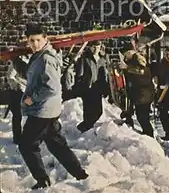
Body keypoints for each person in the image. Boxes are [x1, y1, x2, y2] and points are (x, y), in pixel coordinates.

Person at [11, 23, 88, 189]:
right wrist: (15, 60)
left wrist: (30, 100)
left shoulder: (46, 58)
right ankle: (80, 174)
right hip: (48, 111)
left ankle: (42, 180)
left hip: (42, 111)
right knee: (57, 145)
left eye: (38, 40)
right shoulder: (38, 56)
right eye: (31, 40)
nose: (35, 44)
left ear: (45, 39)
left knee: (27, 145)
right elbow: (29, 75)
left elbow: (51, 87)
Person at [121, 37, 155, 137]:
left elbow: (143, 71)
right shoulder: (131, 60)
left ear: (130, 52)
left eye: (126, 54)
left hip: (144, 93)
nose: (125, 56)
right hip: (139, 93)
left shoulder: (138, 58)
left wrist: (127, 67)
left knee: (142, 117)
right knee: (140, 116)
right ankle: (147, 134)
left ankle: (149, 136)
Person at [74, 41, 107, 133]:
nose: (96, 48)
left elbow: (104, 75)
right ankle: (84, 131)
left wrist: (105, 88)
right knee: (88, 112)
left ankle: (83, 128)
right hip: (87, 89)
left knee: (98, 111)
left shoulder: (102, 60)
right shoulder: (84, 59)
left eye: (98, 46)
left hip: (97, 89)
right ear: (90, 47)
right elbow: (79, 75)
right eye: (94, 46)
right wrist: (80, 88)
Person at [155, 48, 169, 142]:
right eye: (167, 54)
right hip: (162, 93)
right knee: (163, 114)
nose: (168, 56)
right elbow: (157, 77)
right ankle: (168, 133)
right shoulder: (161, 65)